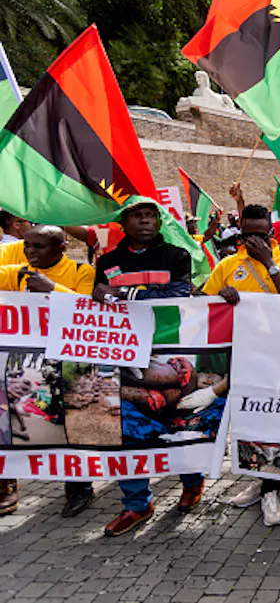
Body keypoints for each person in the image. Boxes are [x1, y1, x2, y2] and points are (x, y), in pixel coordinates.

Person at [92, 199, 201, 537]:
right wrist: (105, 296)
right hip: (126, 356)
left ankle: (192, 482)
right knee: (128, 428)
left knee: (177, 421)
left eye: (151, 215)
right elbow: (99, 299)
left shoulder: (176, 256)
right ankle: (137, 504)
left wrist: (121, 295)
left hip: (171, 352)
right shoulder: (107, 261)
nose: (145, 221)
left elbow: (177, 293)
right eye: (137, 215)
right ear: (123, 222)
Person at [202, 204, 280, 527]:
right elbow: (203, 301)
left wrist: (270, 264)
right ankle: (258, 480)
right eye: (249, 235)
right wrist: (221, 294)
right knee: (249, 421)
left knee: (276, 422)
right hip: (243, 354)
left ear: (271, 233)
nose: (255, 240)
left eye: (262, 234)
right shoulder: (229, 264)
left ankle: (271, 490)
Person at [0, 225, 95, 517]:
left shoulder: (82, 272)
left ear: (61, 247)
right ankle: (7, 486)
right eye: (27, 246)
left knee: (71, 426)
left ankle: (79, 488)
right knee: (10, 422)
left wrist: (53, 290)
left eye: (39, 247)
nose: (30, 252)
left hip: (68, 363)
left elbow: (89, 312)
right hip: (24, 364)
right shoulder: (16, 272)